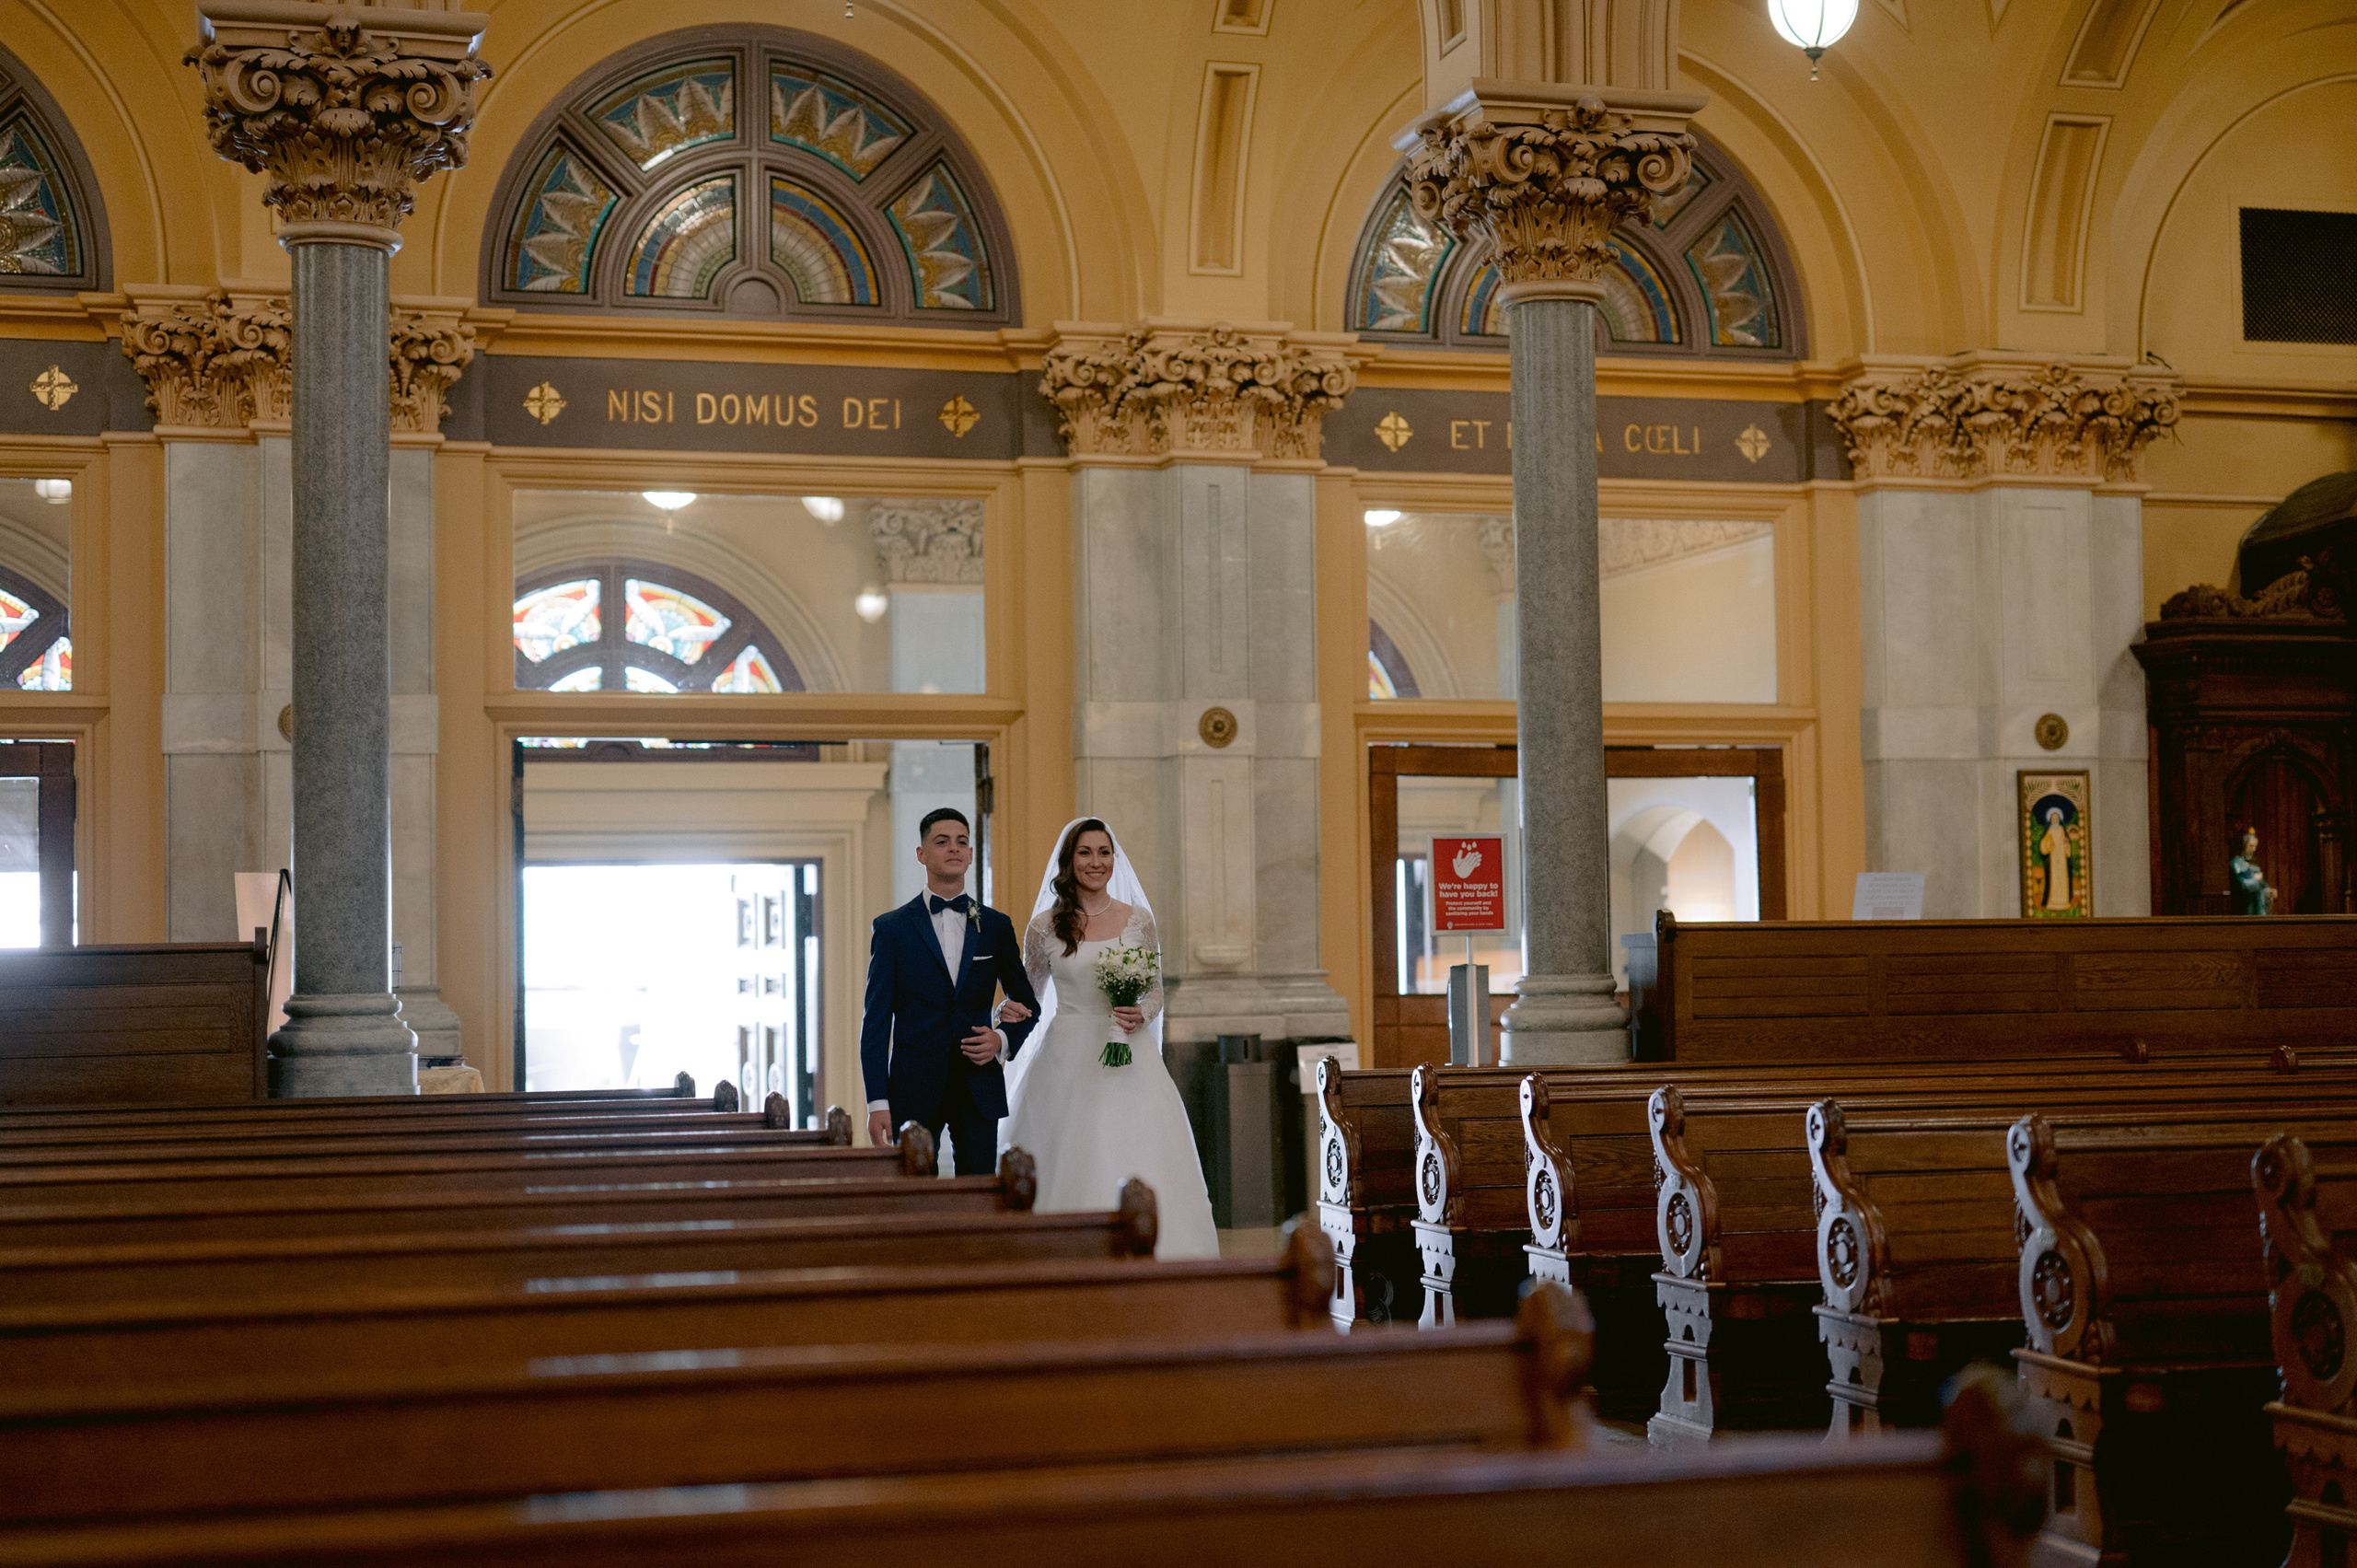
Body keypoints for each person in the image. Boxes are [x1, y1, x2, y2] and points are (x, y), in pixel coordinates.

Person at [995, 817, 1220, 1259]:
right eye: (1085, 853)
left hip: (1129, 1052)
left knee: (1139, 1147)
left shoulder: (1137, 920)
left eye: (1103, 852)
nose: (1095, 862)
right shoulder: (1044, 927)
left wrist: (1141, 1013)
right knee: (1072, 1154)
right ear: (1069, 861)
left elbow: (1154, 988)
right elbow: (1029, 998)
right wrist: (1005, 1017)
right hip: (1066, 1056)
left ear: (1114, 860)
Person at [859, 807, 1040, 1175]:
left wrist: (1001, 1040)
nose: (954, 848)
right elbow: (876, 1022)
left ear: (971, 854)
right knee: (913, 1198)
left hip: (979, 1086)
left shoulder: (995, 926)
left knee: (979, 1194)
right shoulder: (892, 929)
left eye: (962, 842)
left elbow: (1028, 1005)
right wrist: (877, 1102)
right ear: (921, 854)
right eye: (941, 841)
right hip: (913, 1088)